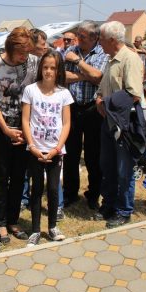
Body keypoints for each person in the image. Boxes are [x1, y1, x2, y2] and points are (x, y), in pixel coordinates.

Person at [0, 27, 39, 243]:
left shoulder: (34, 62)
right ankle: (0, 221)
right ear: (10, 47)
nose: (24, 57)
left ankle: (13, 220)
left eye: (27, 53)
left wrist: (26, 129)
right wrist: (6, 129)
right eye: (20, 53)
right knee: (1, 175)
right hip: (1, 128)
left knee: (19, 176)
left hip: (26, 128)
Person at [95, 21, 144, 228]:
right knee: (107, 165)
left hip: (124, 124)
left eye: (101, 40)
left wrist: (105, 103)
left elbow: (133, 93)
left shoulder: (130, 59)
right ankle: (109, 203)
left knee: (124, 169)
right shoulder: (111, 59)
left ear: (112, 40)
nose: (99, 44)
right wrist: (99, 97)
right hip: (109, 121)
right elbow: (105, 86)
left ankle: (124, 210)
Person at [22, 50, 72, 246]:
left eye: (53, 67)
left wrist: (58, 148)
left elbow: (66, 123)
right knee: (36, 189)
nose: (48, 71)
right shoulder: (31, 90)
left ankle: (52, 226)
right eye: (45, 67)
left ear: (58, 70)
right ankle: (35, 230)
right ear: (40, 68)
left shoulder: (64, 93)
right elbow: (25, 120)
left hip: (55, 150)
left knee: (52, 188)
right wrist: (31, 145)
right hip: (35, 149)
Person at [63, 20, 109, 211]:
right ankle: (70, 193)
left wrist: (77, 62)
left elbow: (99, 76)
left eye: (82, 36)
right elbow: (62, 76)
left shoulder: (102, 53)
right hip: (72, 108)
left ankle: (93, 194)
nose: (78, 39)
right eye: (78, 35)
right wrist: (86, 74)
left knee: (93, 154)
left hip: (93, 109)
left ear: (94, 38)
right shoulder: (70, 49)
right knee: (71, 154)